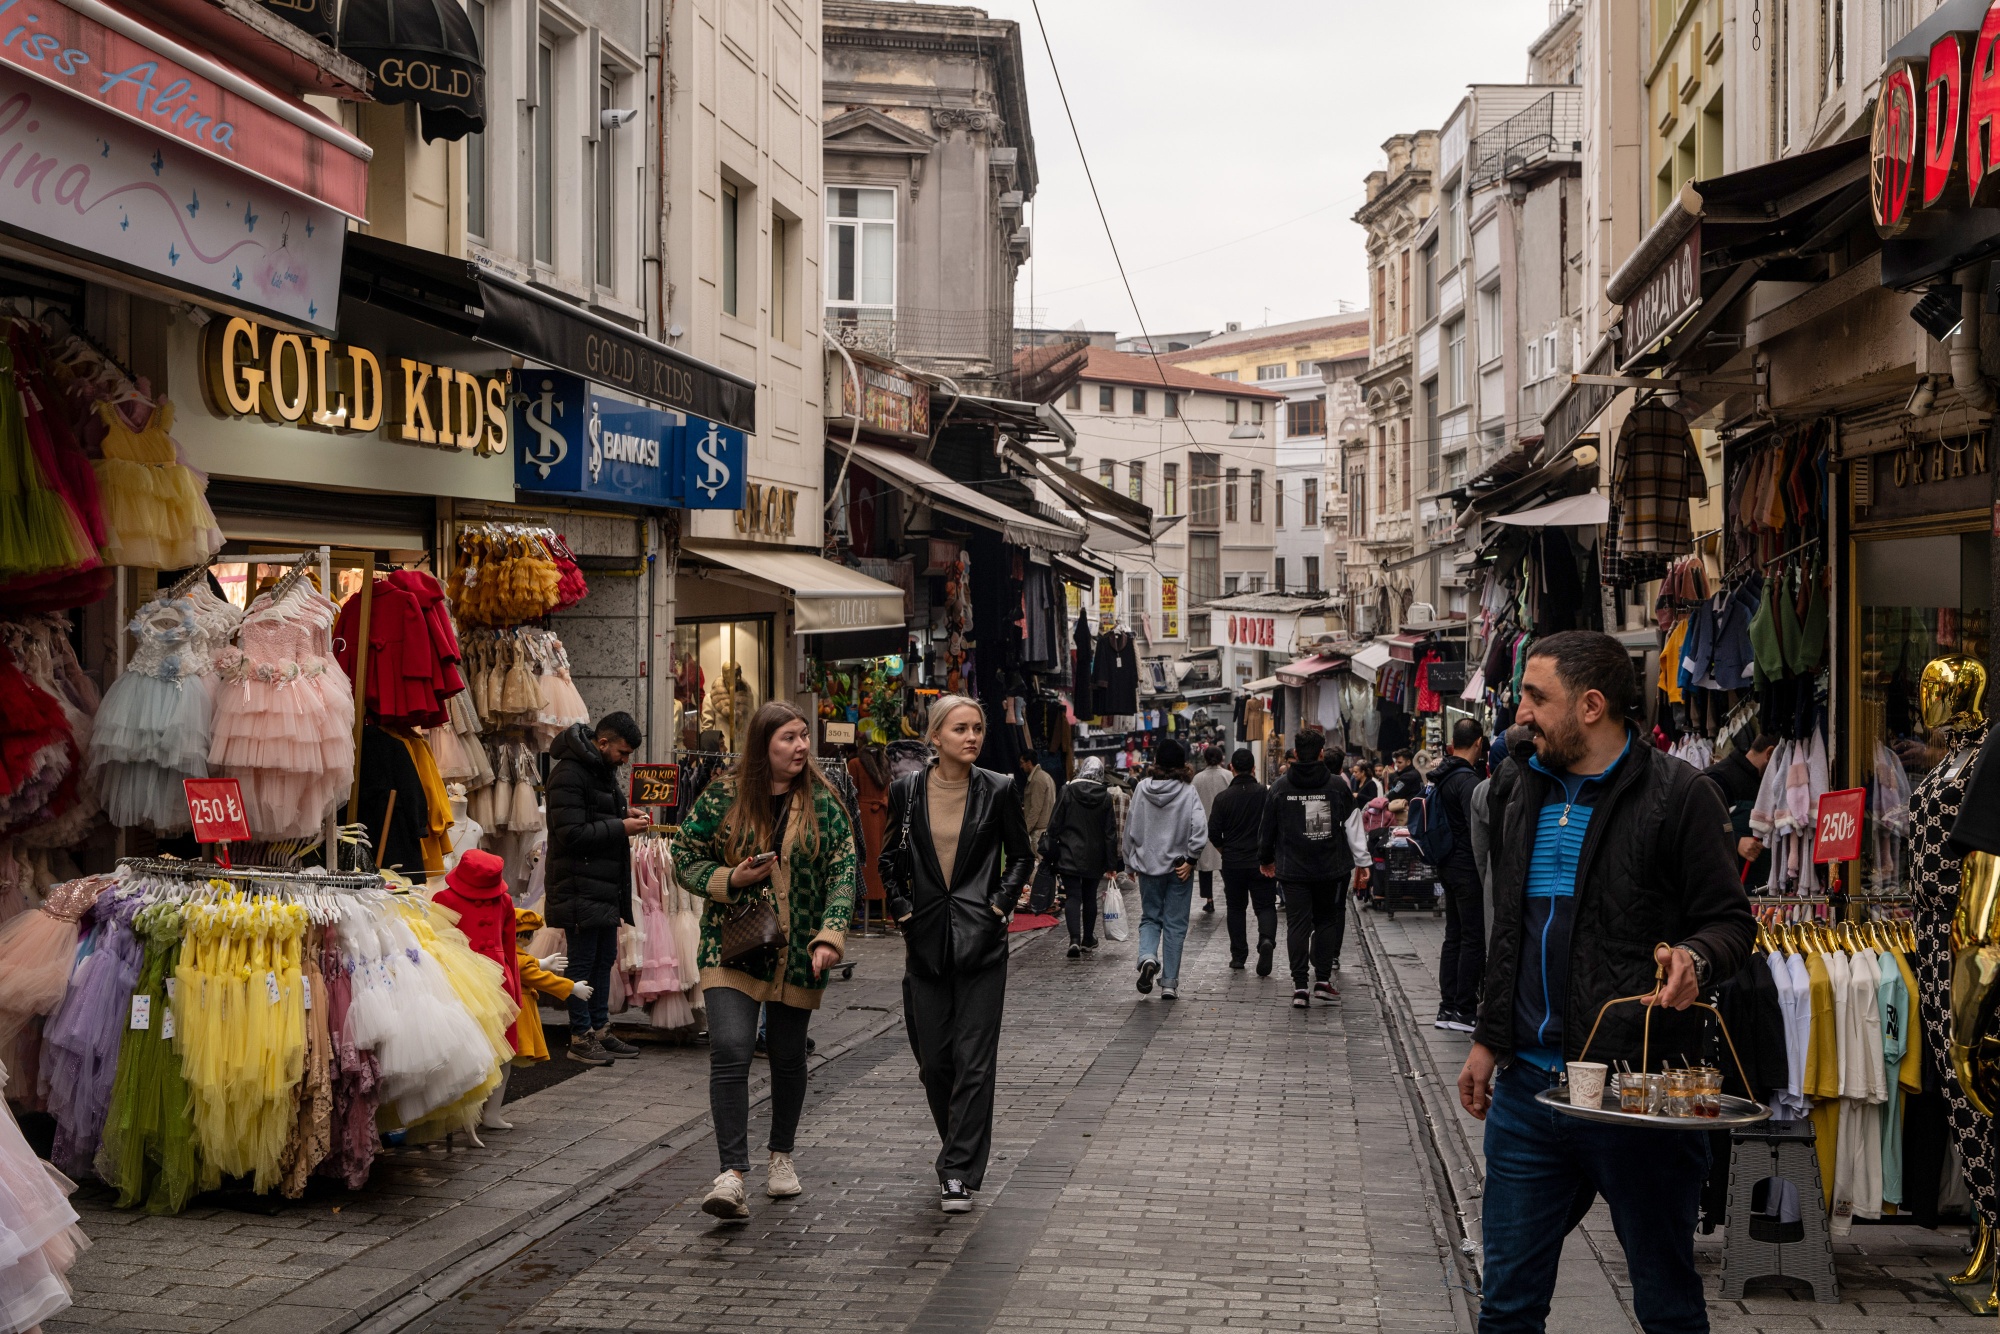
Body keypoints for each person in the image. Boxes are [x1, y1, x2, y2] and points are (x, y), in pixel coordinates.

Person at [1456, 631, 1754, 1334]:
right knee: (1507, 1305)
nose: (1520, 712)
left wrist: (1694, 957)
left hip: (1640, 1095)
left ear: (1591, 706)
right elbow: (1510, 931)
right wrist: (1488, 1039)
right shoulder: (1513, 787)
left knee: (1666, 1303)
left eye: (1536, 697)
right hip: (1530, 1096)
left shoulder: (1680, 794)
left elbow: (1731, 924)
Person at [672, 702, 856, 1221]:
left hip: (799, 952)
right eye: (788, 739)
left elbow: (845, 870)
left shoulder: (824, 802)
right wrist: (731, 878)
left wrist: (830, 935)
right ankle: (731, 1174)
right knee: (730, 1047)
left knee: (787, 1054)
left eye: (803, 737)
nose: (800, 747)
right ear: (762, 746)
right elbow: (682, 856)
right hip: (729, 944)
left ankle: (781, 1155)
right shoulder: (724, 795)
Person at [878, 695, 1032, 1214]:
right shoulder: (906, 790)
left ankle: (958, 1169)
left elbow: (1022, 856)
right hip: (924, 942)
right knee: (935, 1061)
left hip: (982, 942)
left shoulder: (999, 788)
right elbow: (888, 859)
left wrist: (999, 906)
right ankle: (957, 1148)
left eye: (978, 729)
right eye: (961, 729)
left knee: (974, 1061)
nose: (972, 737)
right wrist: (901, 909)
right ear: (936, 736)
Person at [544, 712, 651, 1067]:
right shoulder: (568, 774)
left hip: (601, 882)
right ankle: (580, 1035)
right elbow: (571, 834)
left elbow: (596, 814)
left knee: (605, 958)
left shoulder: (600, 769)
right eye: (622, 752)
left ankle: (600, 1028)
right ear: (602, 743)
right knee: (584, 961)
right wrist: (622, 826)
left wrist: (625, 811)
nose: (625, 760)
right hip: (578, 883)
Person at [1259, 730, 1355, 1007]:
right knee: (1326, 920)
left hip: (1293, 869)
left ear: (1296, 755)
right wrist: (1361, 863)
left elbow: (1267, 829)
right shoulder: (1337, 785)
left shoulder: (1280, 787)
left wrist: (1265, 859)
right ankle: (1322, 980)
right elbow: (1353, 824)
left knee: (1297, 925)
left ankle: (1300, 987)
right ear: (1322, 753)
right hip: (1329, 867)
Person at [1122, 737, 1209, 1000]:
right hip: (1178, 868)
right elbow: (1200, 828)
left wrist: (1129, 861)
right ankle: (1169, 982)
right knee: (1175, 924)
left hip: (1149, 866)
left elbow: (1131, 827)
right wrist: (1191, 858)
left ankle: (1148, 957)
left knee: (1150, 918)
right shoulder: (1187, 790)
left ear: (1157, 761)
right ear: (1182, 763)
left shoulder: (1141, 789)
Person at [1431, 718, 1486, 1034]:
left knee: (1454, 935)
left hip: (1448, 864)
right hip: (1467, 867)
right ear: (1479, 742)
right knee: (1472, 937)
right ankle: (1464, 1009)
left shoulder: (1444, 775)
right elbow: (1476, 827)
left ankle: (1446, 1007)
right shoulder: (1468, 781)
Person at [1042, 755, 1122, 957]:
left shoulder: (1067, 790)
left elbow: (1055, 823)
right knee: (1089, 897)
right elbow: (1110, 833)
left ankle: (1074, 940)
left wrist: (1049, 850)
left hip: (1069, 852)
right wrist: (1112, 864)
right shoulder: (1105, 796)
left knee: (1073, 897)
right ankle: (1088, 938)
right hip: (1095, 856)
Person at [1207, 747, 1276, 974]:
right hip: (1261, 861)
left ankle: (1238, 956)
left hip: (1233, 862)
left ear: (1232, 768)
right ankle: (1266, 940)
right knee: (1265, 905)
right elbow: (1275, 827)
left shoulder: (1223, 798)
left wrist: (1224, 851)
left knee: (1236, 908)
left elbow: (1214, 832)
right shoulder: (1266, 794)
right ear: (1254, 768)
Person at [1703, 729, 1778, 889]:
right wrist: (1735, 842)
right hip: (1727, 891)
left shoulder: (1766, 782)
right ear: (1770, 754)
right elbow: (1698, 829)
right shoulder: (1718, 779)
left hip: (1762, 892)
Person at [1191, 745, 1230, 915]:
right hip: (1226, 826)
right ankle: (1231, 893)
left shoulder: (1197, 779)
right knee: (1225, 864)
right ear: (1222, 758)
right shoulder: (1228, 776)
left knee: (1205, 866)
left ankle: (1209, 900)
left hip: (1203, 826)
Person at [1016, 752, 1058, 888]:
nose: (1021, 766)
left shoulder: (1037, 780)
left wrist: (1025, 831)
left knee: (1041, 865)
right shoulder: (1046, 777)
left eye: (1022, 763)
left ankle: (1043, 895)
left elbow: (1035, 809)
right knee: (1046, 865)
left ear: (1029, 762)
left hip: (1039, 830)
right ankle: (1050, 894)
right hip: (1046, 828)